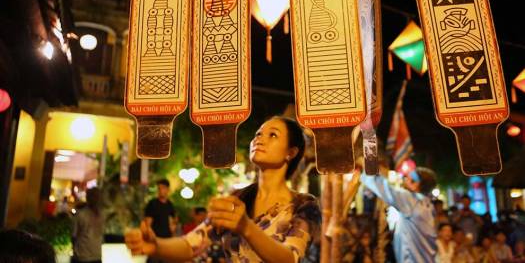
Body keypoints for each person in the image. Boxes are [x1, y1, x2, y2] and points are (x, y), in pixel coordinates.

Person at [126, 116, 321, 263]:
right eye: (258, 134)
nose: (260, 139)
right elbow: (191, 244)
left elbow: (290, 258)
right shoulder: (237, 199)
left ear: (291, 152)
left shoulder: (304, 205)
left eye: (273, 135)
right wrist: (156, 245)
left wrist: (247, 228)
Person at [360, 165, 438, 262]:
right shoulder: (428, 205)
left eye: (409, 178)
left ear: (416, 184)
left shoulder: (411, 200)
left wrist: (367, 167)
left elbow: (383, 188)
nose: (405, 179)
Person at [72, 187, 104, 263]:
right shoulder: (82, 214)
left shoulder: (101, 215)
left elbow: (74, 236)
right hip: (86, 256)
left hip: (89, 256)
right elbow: (74, 236)